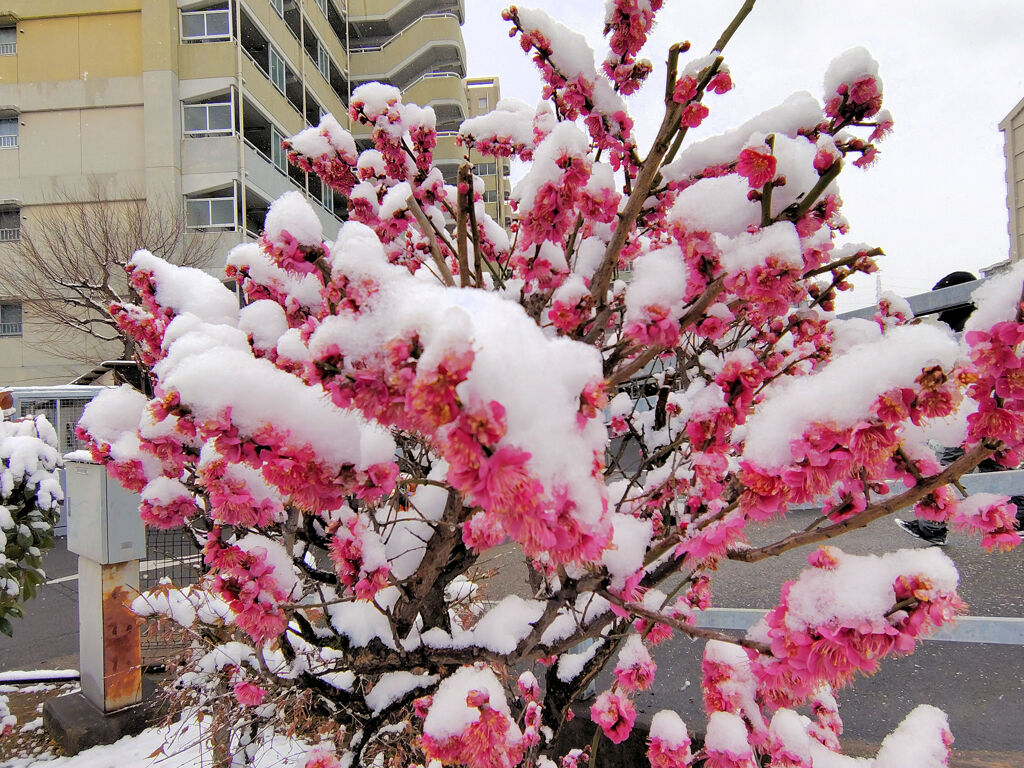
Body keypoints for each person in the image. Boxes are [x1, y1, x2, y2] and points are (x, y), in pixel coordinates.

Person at [896, 271, 1024, 544]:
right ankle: (1020, 515)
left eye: (943, 306)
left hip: (969, 415)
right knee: (994, 461)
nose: (940, 315)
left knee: (946, 470)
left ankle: (932, 528)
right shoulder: (986, 327)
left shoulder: (968, 334)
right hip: (989, 412)